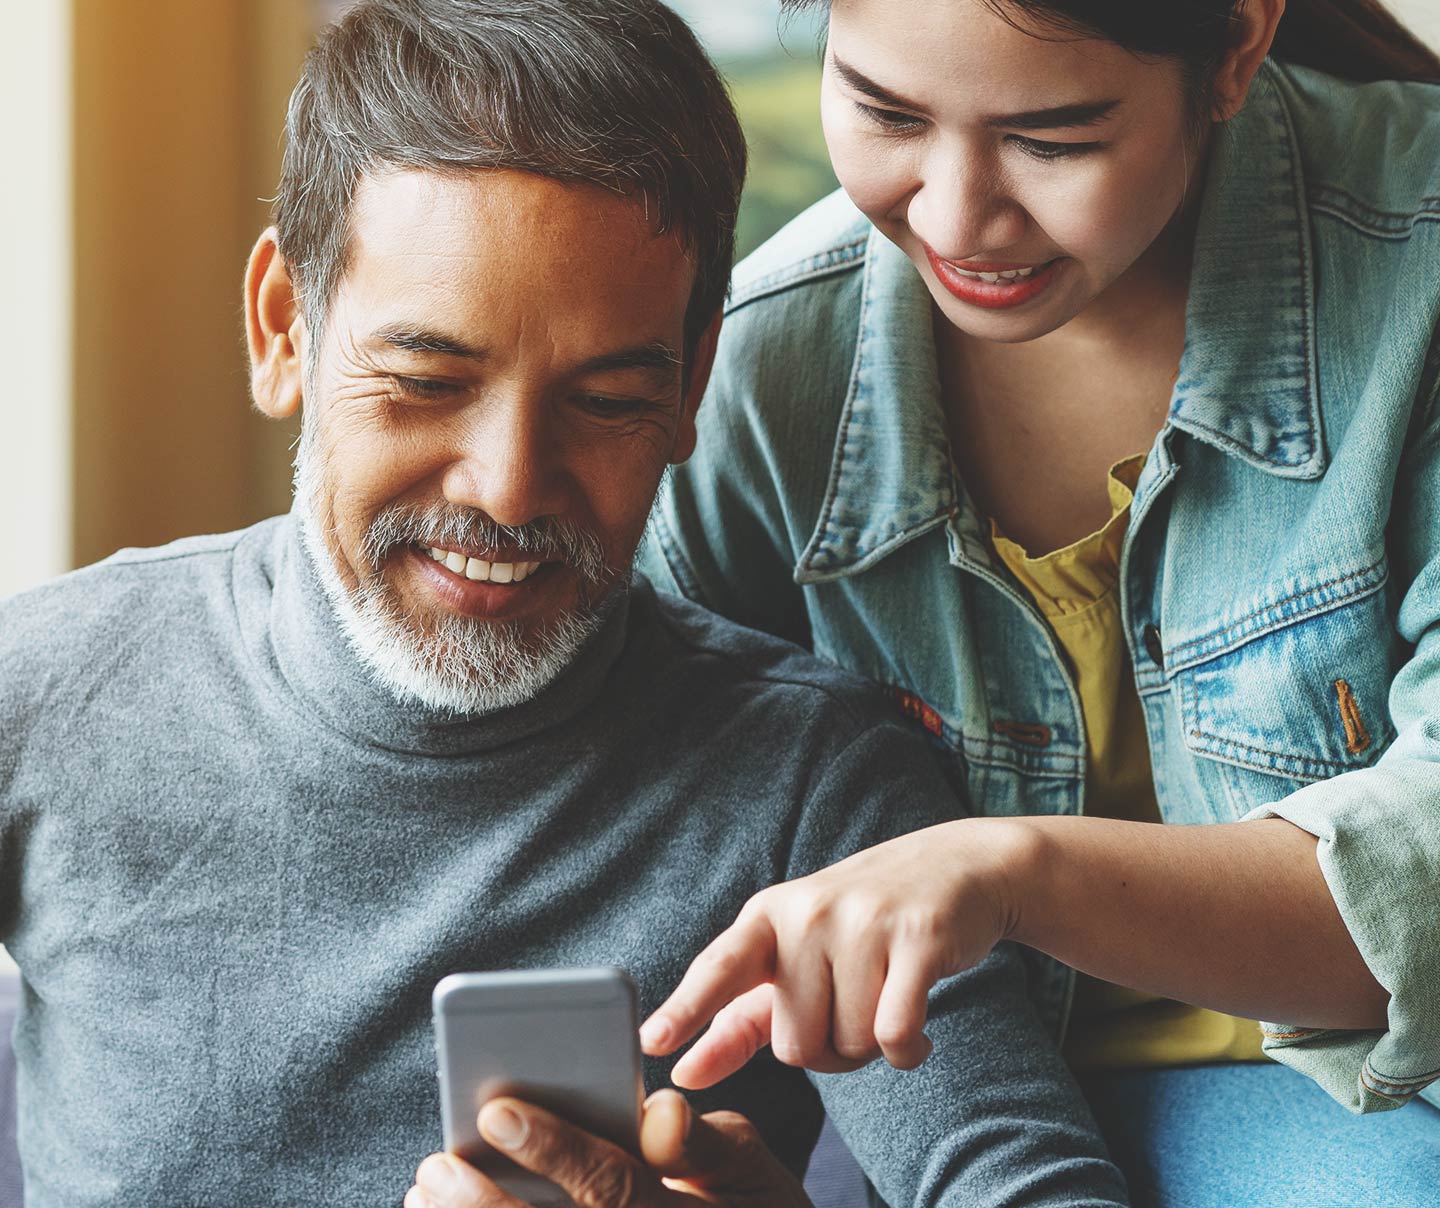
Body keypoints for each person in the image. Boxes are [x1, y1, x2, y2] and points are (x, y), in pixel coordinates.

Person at [0, 2, 1137, 1205]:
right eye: (428, 381)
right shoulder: (47, 695)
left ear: (694, 383)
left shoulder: (814, 785)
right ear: (285, 326)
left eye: (603, 401)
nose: (507, 487)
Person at [636, 0, 1440, 1202]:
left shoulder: (1415, 265)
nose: (956, 217)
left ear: (1234, 48)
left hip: (1360, 1088)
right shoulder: (761, 379)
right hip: (955, 1087)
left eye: (1053, 140)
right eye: (884, 111)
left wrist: (1012, 875)